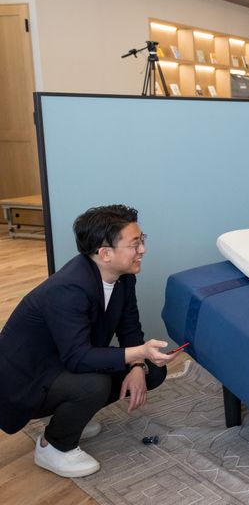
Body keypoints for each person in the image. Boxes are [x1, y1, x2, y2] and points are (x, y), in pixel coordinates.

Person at [0, 205, 180, 478]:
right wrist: (138, 353)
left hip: (62, 362)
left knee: (151, 371)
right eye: (135, 244)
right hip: (26, 381)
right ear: (105, 253)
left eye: (142, 240)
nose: (143, 250)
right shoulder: (68, 289)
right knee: (95, 384)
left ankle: (70, 417)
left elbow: (130, 329)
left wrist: (137, 365)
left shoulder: (123, 278)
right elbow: (78, 358)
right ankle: (53, 446)